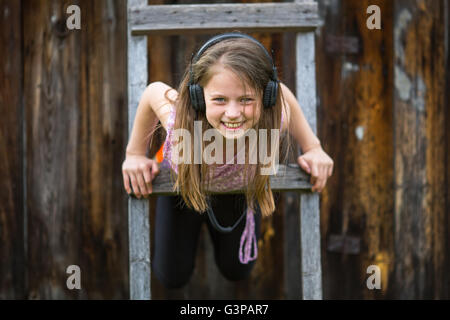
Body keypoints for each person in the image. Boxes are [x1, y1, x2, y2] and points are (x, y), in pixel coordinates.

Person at [122, 32, 334, 289]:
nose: (233, 114)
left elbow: (284, 94)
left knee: (237, 270)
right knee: (172, 276)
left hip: (239, 191)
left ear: (266, 97)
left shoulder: (275, 118)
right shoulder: (180, 123)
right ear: (199, 97)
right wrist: (134, 154)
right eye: (220, 99)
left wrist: (313, 147)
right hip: (184, 189)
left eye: (246, 100)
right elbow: (152, 92)